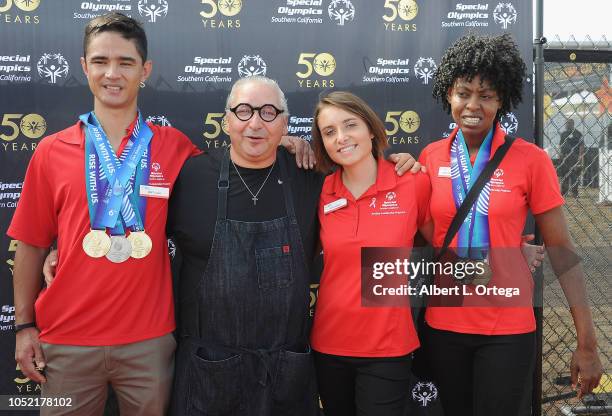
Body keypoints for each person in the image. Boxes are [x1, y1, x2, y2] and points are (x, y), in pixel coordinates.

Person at [166, 76, 419, 415]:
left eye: (269, 113)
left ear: (285, 123)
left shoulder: (311, 177)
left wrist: (402, 163)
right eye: (243, 111)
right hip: (211, 369)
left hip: (286, 371)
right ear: (226, 120)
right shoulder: (188, 176)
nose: (255, 122)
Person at [9, 12, 199, 415]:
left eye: (126, 62)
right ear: (85, 67)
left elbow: (237, 170)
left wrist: (286, 141)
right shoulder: (50, 151)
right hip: (65, 341)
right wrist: (24, 327)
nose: (112, 73)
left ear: (144, 70)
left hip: (148, 342)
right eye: (100, 61)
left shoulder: (175, 146)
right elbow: (29, 245)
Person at [418, 33, 602, 415]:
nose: (472, 105)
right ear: (448, 95)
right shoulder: (431, 155)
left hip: (506, 330)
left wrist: (587, 342)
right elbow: (426, 233)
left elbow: (563, 254)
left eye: (486, 95)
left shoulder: (530, 160)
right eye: (463, 92)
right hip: (444, 325)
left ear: (502, 100)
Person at [308, 91, 433, 416]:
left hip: (388, 347)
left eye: (350, 125)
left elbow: (447, 243)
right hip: (329, 345)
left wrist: (510, 255)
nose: (342, 138)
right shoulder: (319, 193)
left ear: (372, 129)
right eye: (329, 131)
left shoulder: (412, 183)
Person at [558, 119, 584, 197]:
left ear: (572, 124)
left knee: (574, 175)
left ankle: (574, 193)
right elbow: (560, 145)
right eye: (566, 123)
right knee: (565, 174)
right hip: (565, 156)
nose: (566, 125)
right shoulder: (563, 134)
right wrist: (560, 154)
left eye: (568, 123)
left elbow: (581, 145)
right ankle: (564, 192)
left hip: (574, 156)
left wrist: (580, 156)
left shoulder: (578, 134)